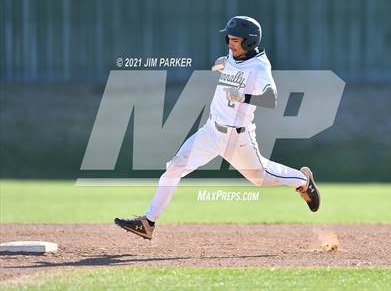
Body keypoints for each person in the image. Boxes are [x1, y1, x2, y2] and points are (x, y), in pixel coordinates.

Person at [115, 16, 320, 240]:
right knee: (174, 167)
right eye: (228, 39)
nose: (230, 44)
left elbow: (271, 100)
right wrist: (224, 64)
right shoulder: (234, 56)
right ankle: (149, 222)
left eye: (235, 40)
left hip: (237, 138)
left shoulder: (260, 66)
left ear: (250, 42)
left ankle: (302, 181)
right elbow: (231, 64)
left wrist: (243, 96)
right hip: (211, 131)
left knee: (261, 178)